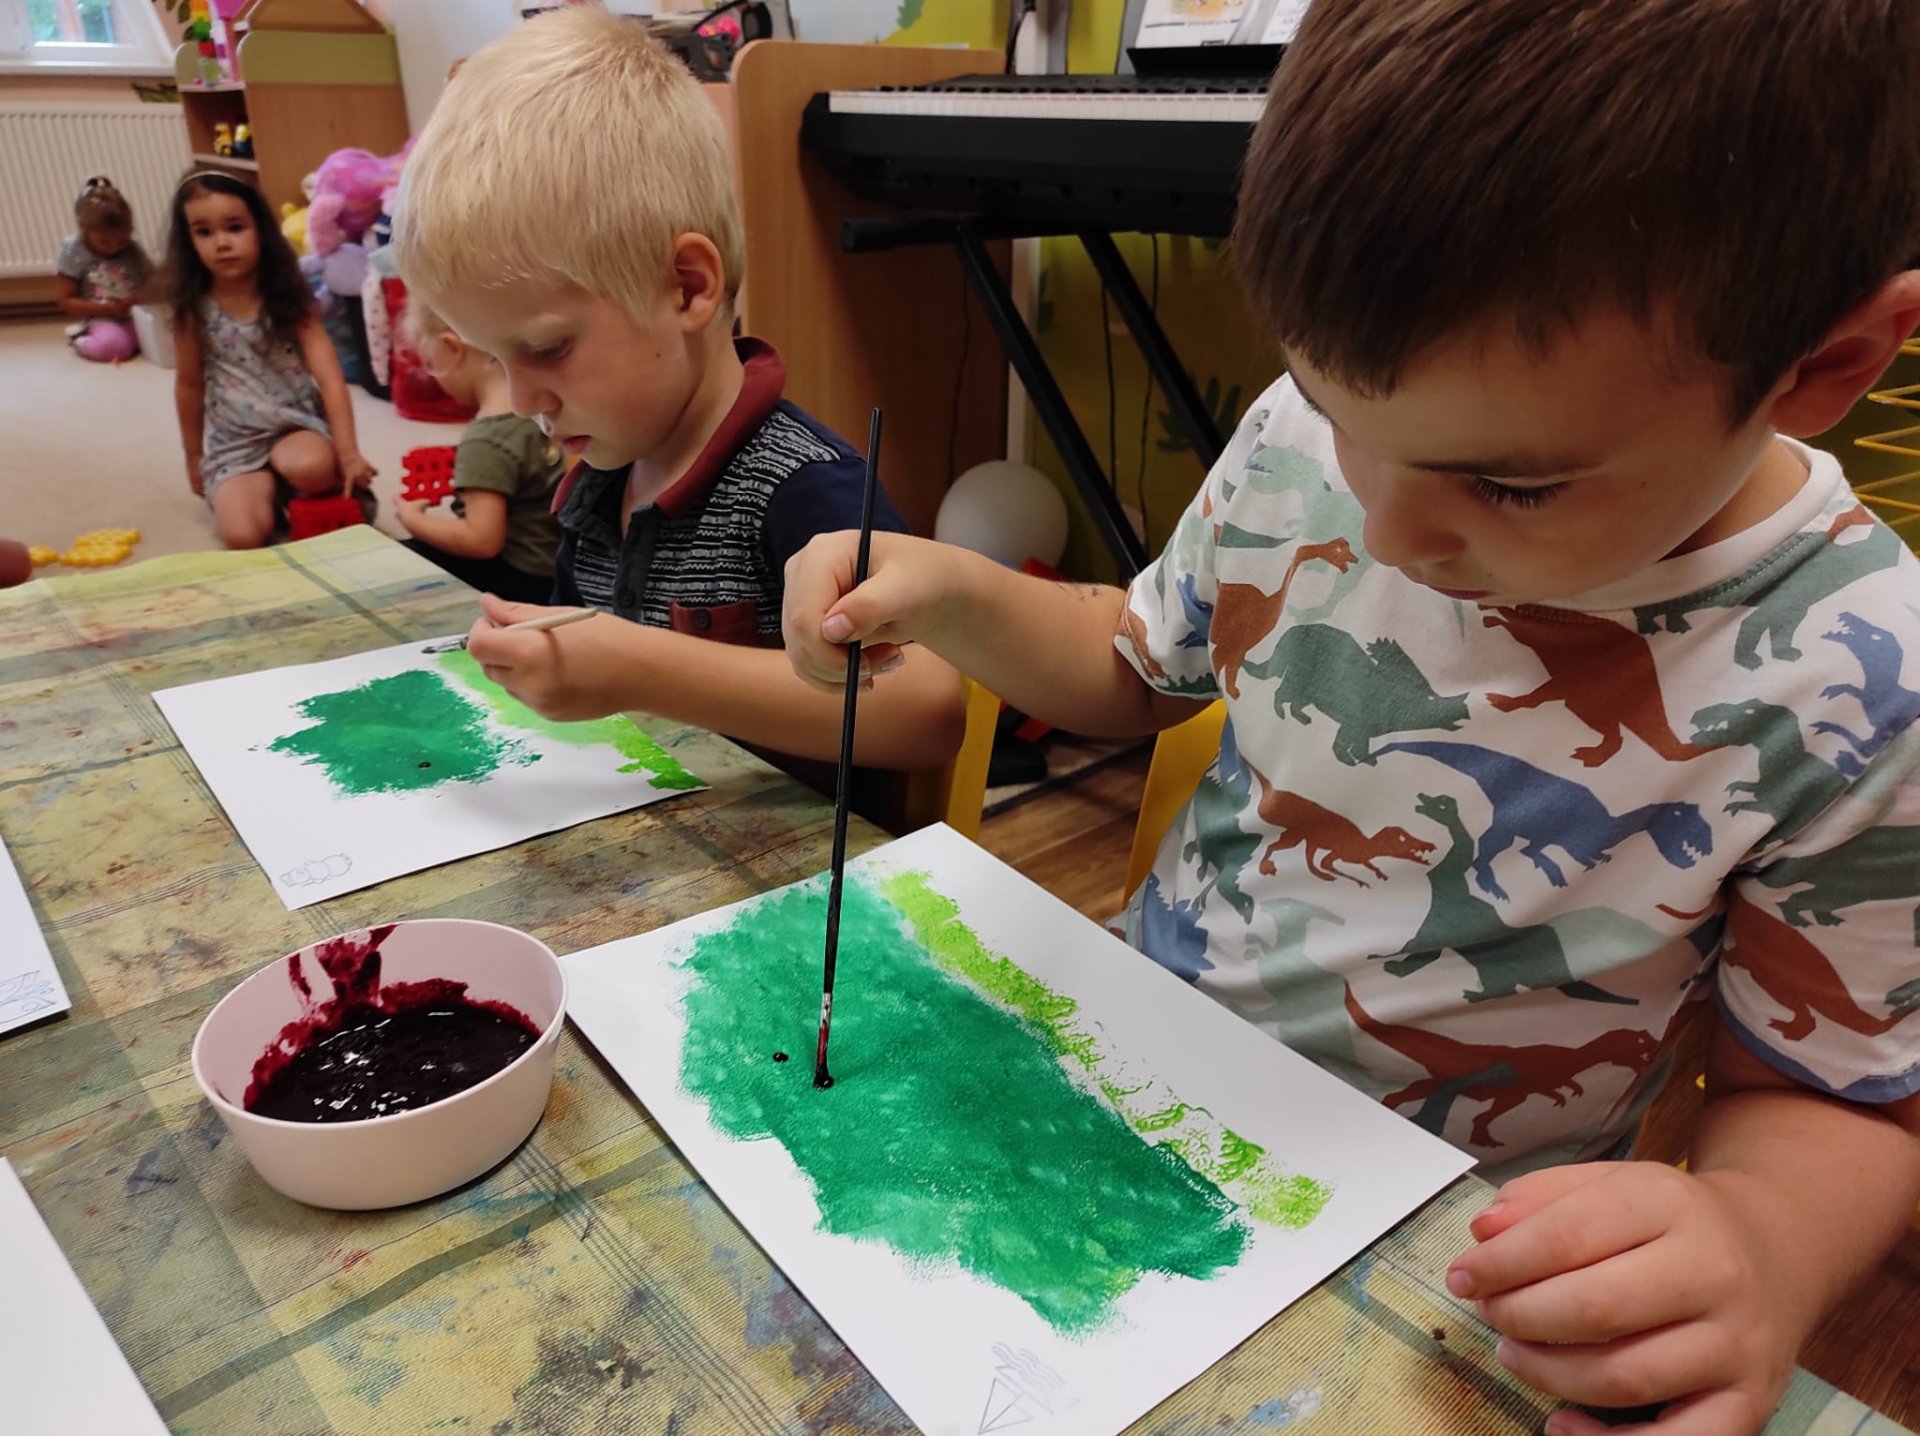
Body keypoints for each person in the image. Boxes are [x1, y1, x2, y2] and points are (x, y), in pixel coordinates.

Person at [783, 2, 1920, 1429]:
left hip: (1434, 1263)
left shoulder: (1865, 682)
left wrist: (1764, 1244)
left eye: (1508, 486)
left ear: (1820, 369)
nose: (1383, 529)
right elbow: (1134, 667)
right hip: (1118, 1091)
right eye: (1338, 416)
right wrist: (953, 591)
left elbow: (1832, 1091)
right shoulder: (1299, 437)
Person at [391, 5, 963, 774]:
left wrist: (640, 669)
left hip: (783, 846)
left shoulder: (803, 487)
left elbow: (928, 708)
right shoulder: (599, 480)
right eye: (497, 358)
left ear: (687, 287)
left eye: (548, 348)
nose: (522, 398)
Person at [166, 171, 376, 550]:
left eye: (235, 227)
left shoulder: (289, 295)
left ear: (260, 229)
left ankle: (300, 485)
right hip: (234, 442)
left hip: (294, 427)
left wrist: (348, 455)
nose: (222, 243)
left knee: (311, 468)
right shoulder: (192, 309)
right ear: (188, 240)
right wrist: (194, 457)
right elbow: (189, 386)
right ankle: (277, 495)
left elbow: (330, 377)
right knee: (242, 536)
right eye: (204, 232)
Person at [395, 303, 564, 605]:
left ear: (452, 347)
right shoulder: (546, 413)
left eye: (431, 364)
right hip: (559, 570)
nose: (435, 379)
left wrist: (412, 519)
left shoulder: (486, 439)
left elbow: (481, 540)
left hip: (520, 583)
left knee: (400, 555)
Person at [55, 176, 151, 364]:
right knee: (112, 347)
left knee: (176, 336)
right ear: (84, 229)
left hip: (135, 315)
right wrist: (108, 309)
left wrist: (139, 298)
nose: (114, 248)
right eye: (105, 242)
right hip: (101, 318)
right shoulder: (74, 252)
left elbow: (152, 283)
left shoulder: (133, 249)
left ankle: (128, 341)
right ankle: (80, 339)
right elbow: (66, 300)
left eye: (122, 241)